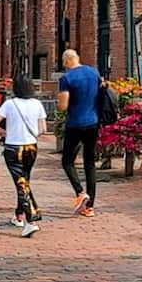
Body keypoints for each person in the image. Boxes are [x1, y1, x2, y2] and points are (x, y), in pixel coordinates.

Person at [0, 74, 46, 238]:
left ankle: (31, 221)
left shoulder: (10, 104)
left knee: (21, 183)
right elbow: (42, 129)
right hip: (31, 147)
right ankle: (19, 215)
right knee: (24, 181)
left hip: (13, 148)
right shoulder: (37, 104)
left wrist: (6, 133)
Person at [57, 48, 101, 217]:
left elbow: (63, 105)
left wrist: (59, 102)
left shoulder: (67, 78)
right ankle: (90, 207)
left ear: (67, 61)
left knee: (67, 161)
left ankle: (80, 191)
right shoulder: (93, 72)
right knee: (89, 162)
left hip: (75, 124)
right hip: (93, 122)